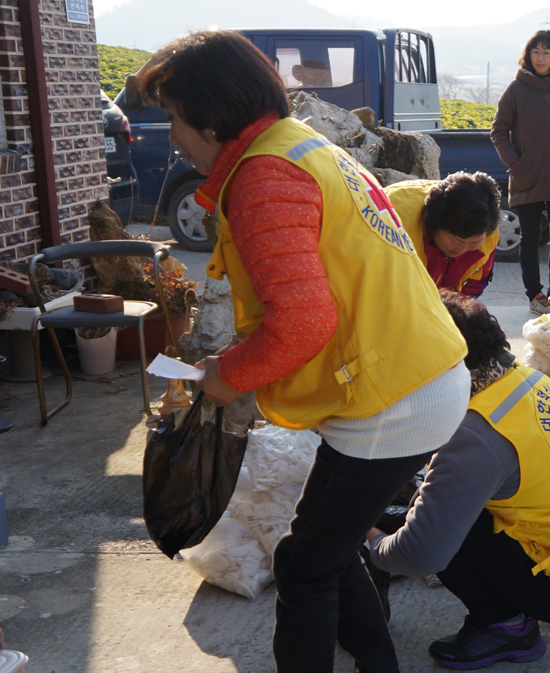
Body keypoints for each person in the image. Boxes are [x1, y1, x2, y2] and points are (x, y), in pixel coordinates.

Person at [141, 30, 471, 673]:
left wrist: (227, 375)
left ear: (210, 116)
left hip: (391, 401)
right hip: (409, 375)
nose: (174, 137)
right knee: (325, 549)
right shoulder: (297, 146)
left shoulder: (265, 175)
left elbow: (300, 324)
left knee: (303, 566)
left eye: (175, 119)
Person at [367, 291, 550, 670]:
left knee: (442, 516)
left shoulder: (474, 434)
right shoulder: (535, 382)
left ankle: (505, 626)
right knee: (460, 499)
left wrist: (374, 543)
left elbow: (421, 554)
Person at [491, 30, 550, 315]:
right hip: (528, 178)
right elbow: (498, 131)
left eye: (547, 52)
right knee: (530, 240)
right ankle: (535, 295)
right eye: (536, 52)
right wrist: (515, 165)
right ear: (528, 55)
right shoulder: (516, 89)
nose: (541, 58)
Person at [384, 173, 501, 298]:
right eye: (457, 240)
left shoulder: (485, 223)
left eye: (474, 242)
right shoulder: (391, 222)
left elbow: (473, 287)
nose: (461, 250)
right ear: (434, 224)